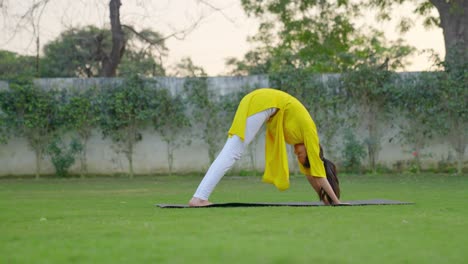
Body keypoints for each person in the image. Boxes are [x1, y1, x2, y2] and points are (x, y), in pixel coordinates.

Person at [189, 88, 344, 206]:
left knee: (231, 151)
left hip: (261, 102)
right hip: (263, 103)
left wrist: (325, 200)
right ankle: (200, 198)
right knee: (232, 152)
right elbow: (318, 174)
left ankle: (199, 197)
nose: (296, 153)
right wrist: (336, 202)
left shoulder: (299, 141)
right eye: (300, 156)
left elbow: (311, 175)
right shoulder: (311, 135)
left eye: (298, 156)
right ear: (311, 153)